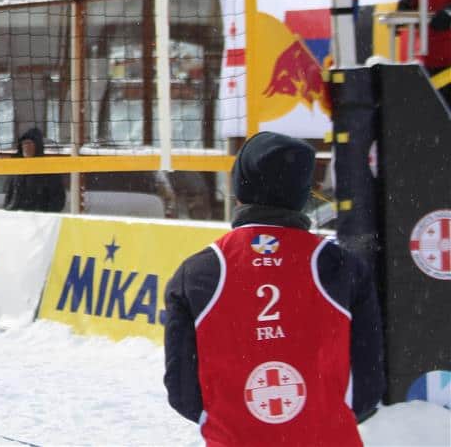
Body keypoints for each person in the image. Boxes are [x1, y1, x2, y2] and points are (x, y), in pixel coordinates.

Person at [163, 132, 383, 445]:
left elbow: (182, 390)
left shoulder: (196, 273)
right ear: (302, 192)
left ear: (240, 189)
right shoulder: (343, 268)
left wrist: (235, 424)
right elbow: (368, 386)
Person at [3, 127, 66, 212]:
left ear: (37, 146)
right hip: (18, 219)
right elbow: (9, 197)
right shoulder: (17, 169)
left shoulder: (50, 170)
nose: (26, 147)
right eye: (24, 144)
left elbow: (58, 200)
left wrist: (43, 215)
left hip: (41, 219)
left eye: (29, 143)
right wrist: (9, 212)